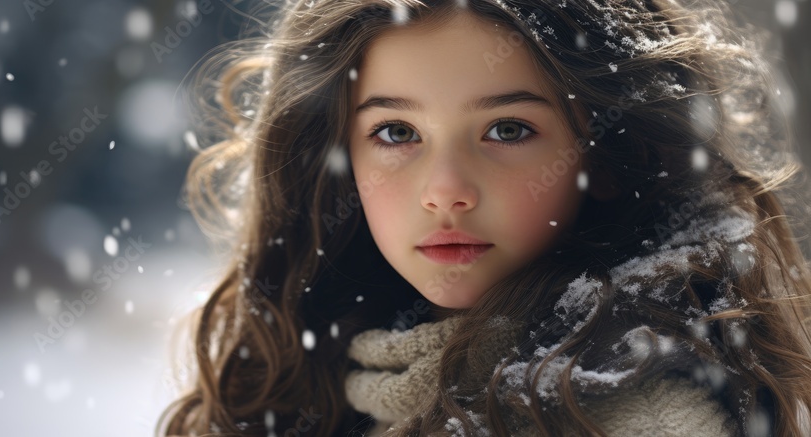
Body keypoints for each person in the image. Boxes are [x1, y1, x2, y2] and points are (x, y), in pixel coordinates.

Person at [158, 1, 811, 435]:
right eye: (395, 131)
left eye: (506, 128)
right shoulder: (336, 378)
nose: (445, 190)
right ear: (335, 162)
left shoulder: (636, 420)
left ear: (605, 154)